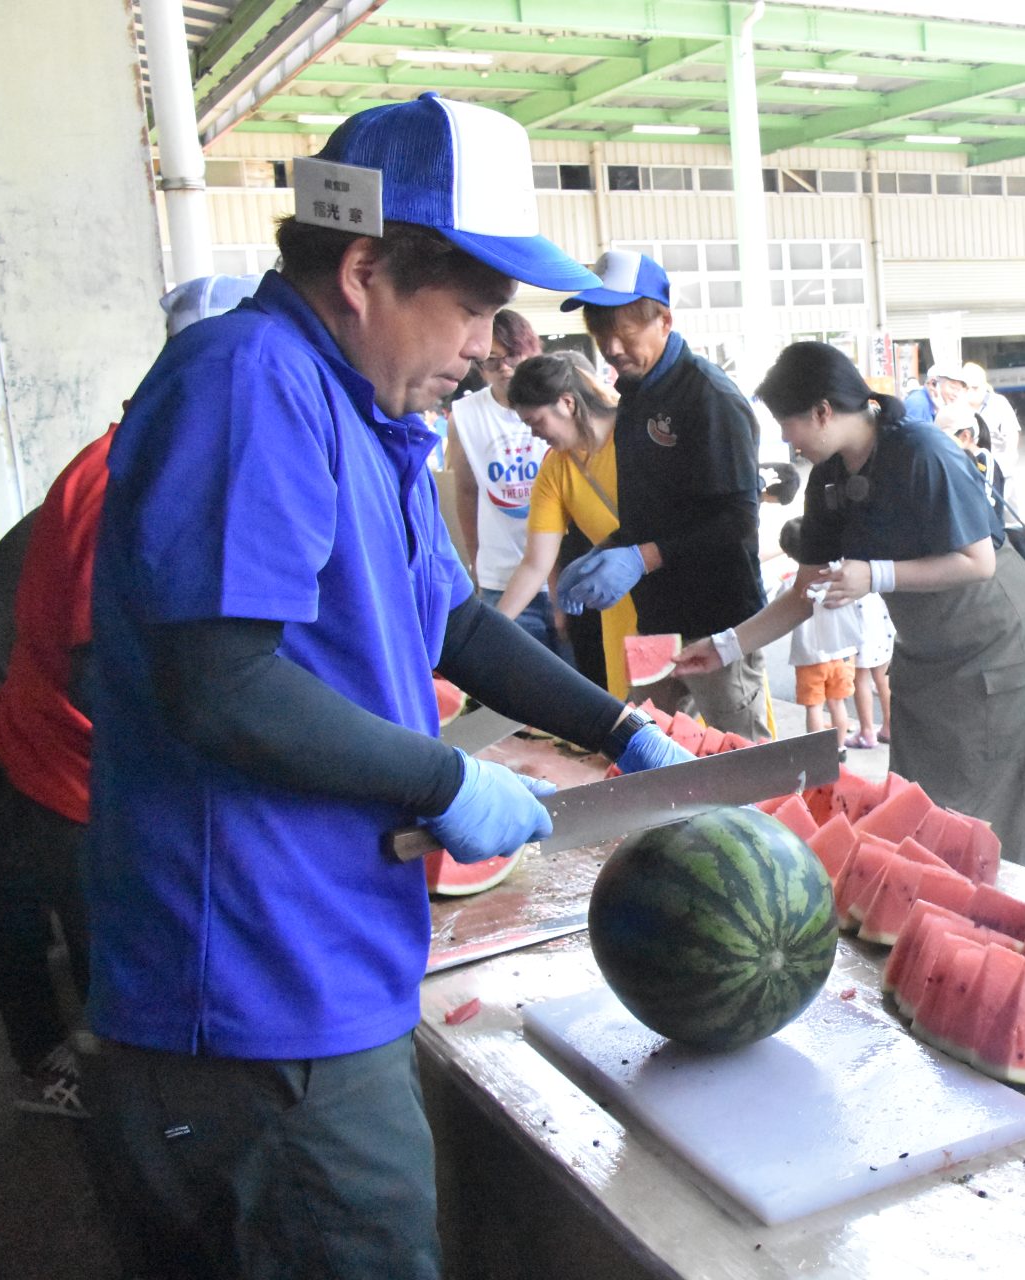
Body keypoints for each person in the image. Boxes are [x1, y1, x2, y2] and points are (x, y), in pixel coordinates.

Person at [80, 94, 697, 1277]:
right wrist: (442, 772)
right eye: (471, 308)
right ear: (364, 267)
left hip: (328, 961)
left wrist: (616, 725)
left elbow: (453, 617)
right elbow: (216, 682)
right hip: (259, 997)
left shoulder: (370, 413)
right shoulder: (250, 381)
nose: (485, 347)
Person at [0, 275, 260, 1123]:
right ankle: (98, 1106)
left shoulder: (145, 452)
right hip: (58, 763)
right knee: (97, 966)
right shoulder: (126, 476)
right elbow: (96, 670)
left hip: (58, 748)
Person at [676, 342, 1025, 863]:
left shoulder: (924, 451)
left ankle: (999, 931)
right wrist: (724, 647)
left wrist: (876, 573)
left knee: (980, 814)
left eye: (789, 424)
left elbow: (977, 562)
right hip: (925, 649)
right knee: (919, 806)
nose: (785, 438)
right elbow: (806, 590)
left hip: (993, 642)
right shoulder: (829, 475)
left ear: (823, 412)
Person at [558, 250, 773, 739]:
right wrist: (605, 551)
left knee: (745, 764)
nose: (611, 348)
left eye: (625, 333)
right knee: (647, 749)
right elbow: (650, 509)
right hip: (656, 615)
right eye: (600, 333)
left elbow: (738, 521)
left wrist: (644, 557)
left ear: (664, 320)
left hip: (719, 619)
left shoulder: (709, 396)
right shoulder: (634, 393)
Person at [497, 351, 640, 698]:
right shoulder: (555, 468)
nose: (534, 435)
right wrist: (491, 629)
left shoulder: (640, 434)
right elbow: (535, 564)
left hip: (686, 609)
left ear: (567, 403)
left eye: (537, 422)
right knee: (646, 736)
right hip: (619, 619)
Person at [444, 309, 561, 655]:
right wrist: (477, 562)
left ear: (532, 351)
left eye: (512, 356)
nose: (505, 368)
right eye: (492, 361)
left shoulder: (560, 403)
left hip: (564, 577)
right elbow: (467, 492)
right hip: (502, 578)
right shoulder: (465, 416)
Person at [776, 517, 862, 752]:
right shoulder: (836, 576)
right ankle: (839, 748)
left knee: (814, 706)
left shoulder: (792, 584)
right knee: (837, 703)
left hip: (809, 657)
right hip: (841, 654)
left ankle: (817, 751)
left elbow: (779, 608)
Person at [851, 589, 895, 749]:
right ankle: (889, 727)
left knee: (860, 677)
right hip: (878, 611)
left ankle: (866, 731)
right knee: (882, 675)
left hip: (859, 613)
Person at [962, 361, 1021, 459]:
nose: (971, 391)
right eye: (967, 388)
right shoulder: (957, 406)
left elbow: (1012, 433)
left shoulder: (999, 402)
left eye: (975, 387)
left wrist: (1010, 456)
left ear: (984, 386)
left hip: (998, 462)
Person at [901, 361, 968, 427]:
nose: (956, 394)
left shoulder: (933, 406)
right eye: (953, 388)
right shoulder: (917, 404)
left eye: (958, 390)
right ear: (933, 384)